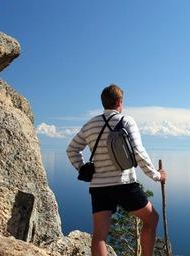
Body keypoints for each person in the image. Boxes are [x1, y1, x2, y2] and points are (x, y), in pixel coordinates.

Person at [66, 84, 166, 256]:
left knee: (99, 236)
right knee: (152, 219)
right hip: (124, 184)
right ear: (120, 101)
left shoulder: (90, 125)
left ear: (103, 102)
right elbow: (138, 152)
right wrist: (157, 176)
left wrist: (83, 168)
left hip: (98, 186)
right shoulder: (126, 121)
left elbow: (72, 149)